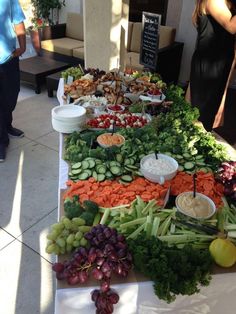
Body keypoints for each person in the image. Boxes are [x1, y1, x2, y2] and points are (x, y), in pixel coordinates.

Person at [189, 0, 236, 131]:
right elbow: (232, 27)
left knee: (210, 113)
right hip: (209, 66)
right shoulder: (213, 1)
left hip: (218, 64)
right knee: (204, 115)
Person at [0, 0, 26, 162]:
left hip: (9, 57)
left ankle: (7, 125)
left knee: (11, 96)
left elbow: (18, 20)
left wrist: (22, 47)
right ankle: (1, 141)